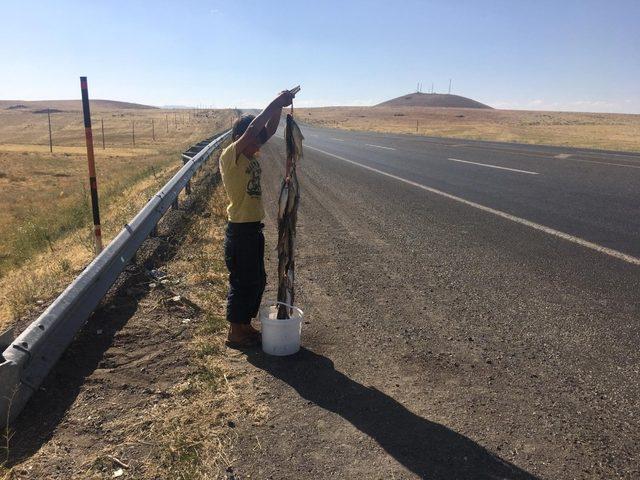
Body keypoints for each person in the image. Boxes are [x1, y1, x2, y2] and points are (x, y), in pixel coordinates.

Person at [219, 89, 296, 347]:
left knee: (257, 279)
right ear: (242, 137)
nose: (258, 145)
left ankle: (244, 325)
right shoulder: (231, 156)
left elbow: (267, 131)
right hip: (239, 231)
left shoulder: (250, 153)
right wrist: (275, 101)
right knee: (242, 280)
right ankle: (234, 331)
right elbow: (254, 129)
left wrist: (280, 109)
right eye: (254, 141)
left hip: (253, 229)